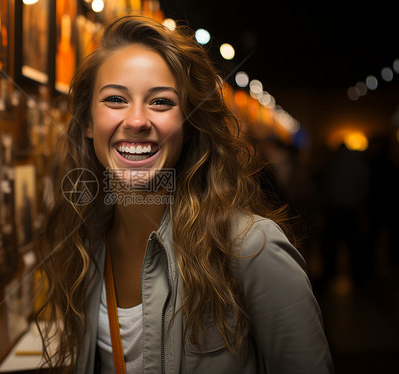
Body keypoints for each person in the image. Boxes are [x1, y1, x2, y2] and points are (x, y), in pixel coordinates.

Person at [35, 15, 333, 373]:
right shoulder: (83, 244)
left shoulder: (251, 247)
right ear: (87, 122)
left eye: (161, 102)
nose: (136, 120)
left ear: (190, 126)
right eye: (115, 99)